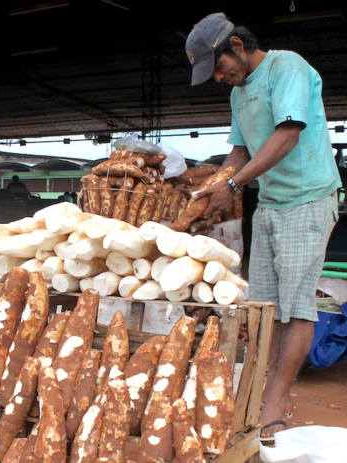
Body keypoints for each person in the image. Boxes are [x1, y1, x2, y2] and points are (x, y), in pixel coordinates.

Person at [186, 13, 341, 442]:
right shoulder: (239, 92)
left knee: (295, 308)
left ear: (236, 44)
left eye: (219, 67)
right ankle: (256, 392)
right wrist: (216, 185)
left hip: (307, 200)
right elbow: (239, 150)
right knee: (264, 309)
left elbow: (288, 134)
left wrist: (233, 184)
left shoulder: (286, 67)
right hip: (271, 204)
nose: (220, 78)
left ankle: (274, 404)